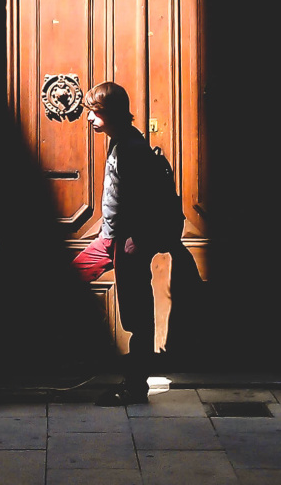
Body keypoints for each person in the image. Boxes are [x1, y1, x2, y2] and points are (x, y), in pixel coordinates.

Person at [72, 81, 203, 406]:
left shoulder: (132, 147)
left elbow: (148, 200)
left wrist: (137, 239)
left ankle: (135, 386)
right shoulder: (119, 142)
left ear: (109, 113)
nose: (89, 119)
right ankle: (78, 357)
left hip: (127, 244)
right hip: (111, 240)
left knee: (137, 315)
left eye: (94, 112)